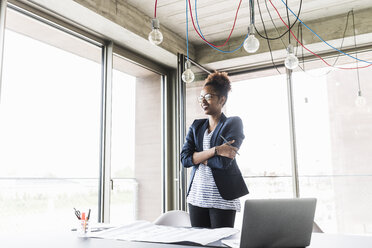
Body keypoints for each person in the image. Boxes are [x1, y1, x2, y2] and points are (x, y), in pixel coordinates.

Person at [180, 71, 249, 228]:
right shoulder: (196, 126)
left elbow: (224, 162)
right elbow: (184, 159)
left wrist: (197, 157)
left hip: (222, 200)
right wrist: (216, 150)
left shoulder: (233, 123)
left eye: (209, 97)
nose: (203, 101)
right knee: (198, 244)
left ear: (222, 99)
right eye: (201, 98)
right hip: (196, 197)